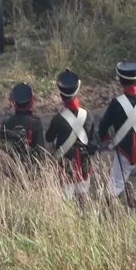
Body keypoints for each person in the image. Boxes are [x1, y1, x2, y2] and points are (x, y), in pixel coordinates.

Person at [98, 60, 136, 212]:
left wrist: (106, 140)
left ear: (121, 81)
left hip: (123, 150)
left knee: (115, 185)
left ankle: (106, 218)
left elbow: (103, 127)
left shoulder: (116, 103)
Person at [46, 68, 98, 201]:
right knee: (83, 197)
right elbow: (93, 140)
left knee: (66, 199)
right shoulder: (88, 115)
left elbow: (49, 137)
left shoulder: (58, 118)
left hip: (65, 165)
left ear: (62, 95)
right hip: (83, 165)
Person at [0, 82, 46, 161]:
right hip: (30, 168)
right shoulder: (35, 123)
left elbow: (2, 150)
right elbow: (41, 154)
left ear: (13, 101)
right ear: (31, 101)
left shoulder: (6, 121)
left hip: (11, 168)